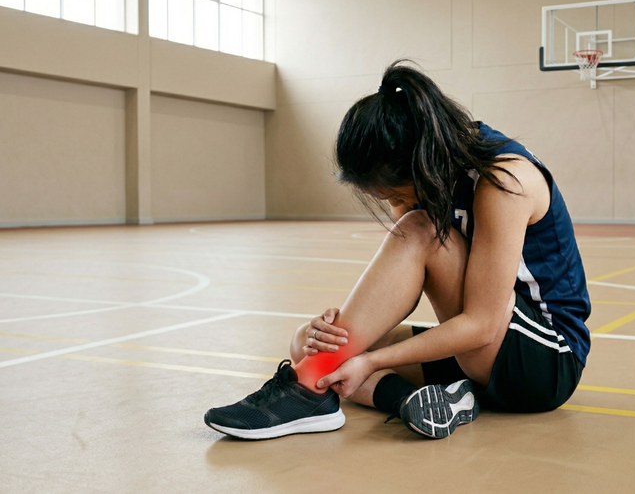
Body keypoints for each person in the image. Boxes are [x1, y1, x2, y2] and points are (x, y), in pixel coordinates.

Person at [204, 60, 591, 440]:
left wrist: (370, 358)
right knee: (308, 342)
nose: (391, 204)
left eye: (392, 193)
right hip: (481, 355)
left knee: (417, 235)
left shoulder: (503, 180)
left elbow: (481, 324)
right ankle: (422, 401)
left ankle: (304, 391)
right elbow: (398, 283)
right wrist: (340, 332)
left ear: (419, 163)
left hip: (544, 361)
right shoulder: (433, 169)